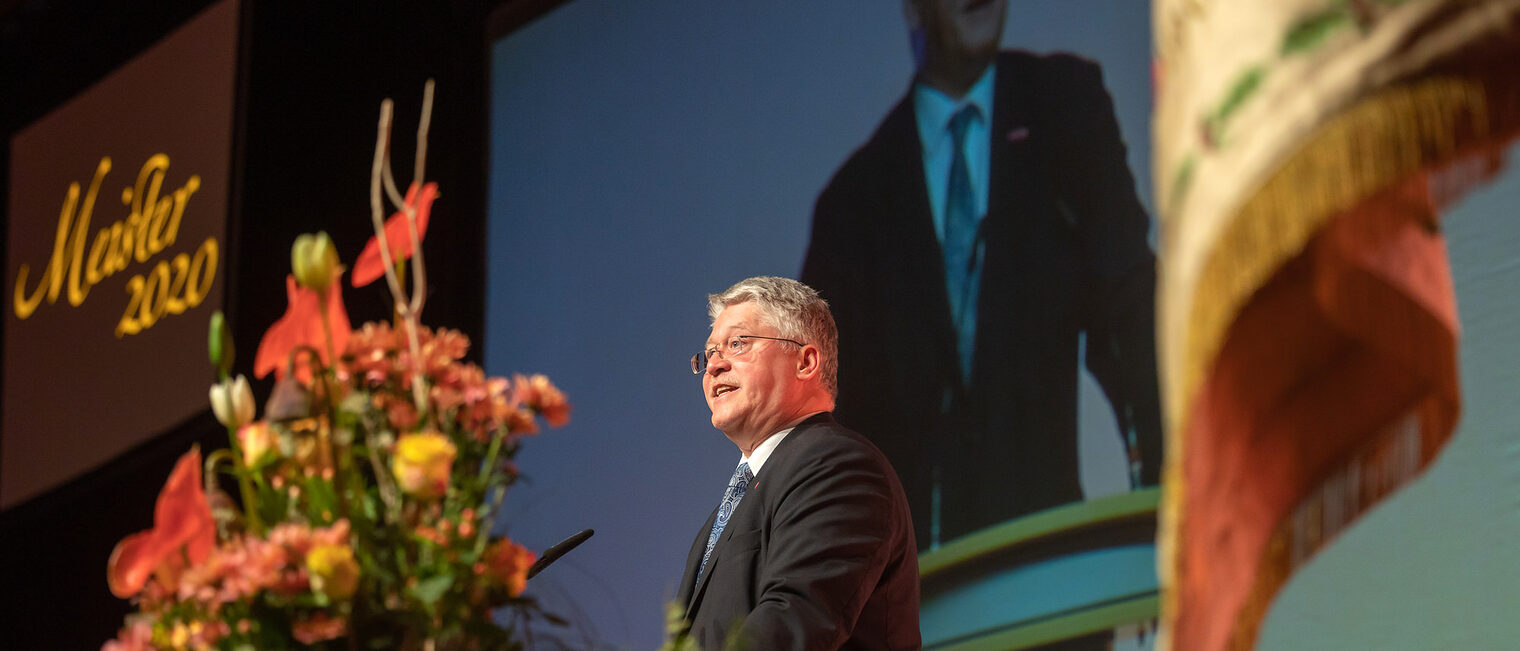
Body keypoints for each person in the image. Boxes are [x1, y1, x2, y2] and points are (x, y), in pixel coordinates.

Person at [801, 0, 1163, 548]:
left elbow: (1131, 311)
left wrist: (1163, 495)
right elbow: (824, 423)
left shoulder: (1065, 107)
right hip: (918, 599)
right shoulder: (852, 203)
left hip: (1050, 577)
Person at [675, 276, 921, 650]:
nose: (713, 367)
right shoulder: (731, 508)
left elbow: (790, 625)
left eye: (737, 344)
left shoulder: (839, 467)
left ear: (805, 362)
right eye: (710, 353)